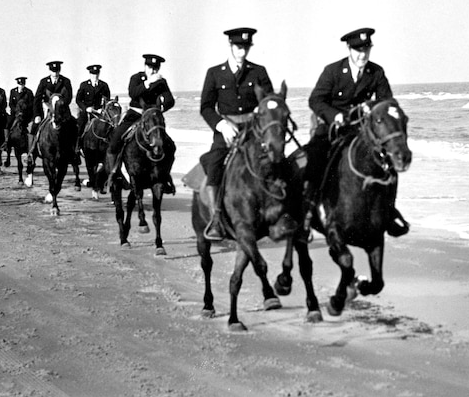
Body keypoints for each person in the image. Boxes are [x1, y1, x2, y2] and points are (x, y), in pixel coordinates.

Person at [304, 28, 409, 236]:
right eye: (358, 50)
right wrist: (334, 115)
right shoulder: (332, 71)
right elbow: (315, 100)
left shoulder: (376, 72)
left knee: (388, 161)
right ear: (349, 49)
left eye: (366, 50)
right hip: (333, 129)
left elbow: (388, 101)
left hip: (362, 132)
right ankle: (308, 213)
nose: (362, 55)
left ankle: (388, 211)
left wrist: (375, 106)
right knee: (315, 159)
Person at [199, 27, 294, 242]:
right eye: (238, 46)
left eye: (246, 47)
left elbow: (269, 102)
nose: (242, 51)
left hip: (254, 129)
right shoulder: (215, 72)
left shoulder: (258, 71)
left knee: (278, 161)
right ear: (231, 46)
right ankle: (216, 217)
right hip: (227, 130)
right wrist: (222, 125)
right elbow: (206, 107)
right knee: (215, 162)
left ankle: (284, 213)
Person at [105, 53, 176, 194]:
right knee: (115, 141)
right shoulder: (137, 78)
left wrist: (162, 107)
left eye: (155, 68)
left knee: (170, 146)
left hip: (152, 119)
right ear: (145, 67)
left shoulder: (162, 82)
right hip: (135, 115)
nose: (153, 71)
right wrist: (148, 82)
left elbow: (170, 100)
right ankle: (113, 174)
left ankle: (165, 176)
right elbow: (133, 93)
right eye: (150, 67)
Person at [27, 61, 74, 161]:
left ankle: (74, 151)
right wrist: (37, 115)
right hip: (46, 109)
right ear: (50, 71)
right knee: (35, 126)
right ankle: (31, 152)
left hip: (61, 110)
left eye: (57, 71)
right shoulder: (44, 82)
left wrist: (61, 104)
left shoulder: (66, 81)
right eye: (53, 71)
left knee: (73, 124)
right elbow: (37, 99)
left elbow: (68, 97)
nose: (55, 74)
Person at [75, 64, 111, 148]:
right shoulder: (84, 85)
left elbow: (107, 99)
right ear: (90, 74)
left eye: (96, 74)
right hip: (87, 112)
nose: (95, 76)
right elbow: (78, 100)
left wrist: (102, 109)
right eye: (93, 74)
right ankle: (78, 146)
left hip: (99, 112)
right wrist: (86, 108)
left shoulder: (104, 85)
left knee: (109, 126)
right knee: (80, 125)